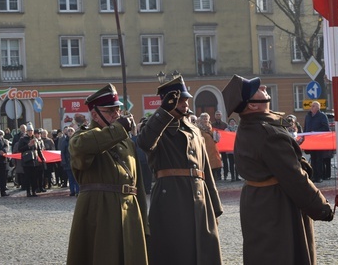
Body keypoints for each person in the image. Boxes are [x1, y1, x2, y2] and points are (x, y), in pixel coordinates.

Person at [223, 75, 333, 265]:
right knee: (283, 255)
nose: (264, 87)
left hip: (259, 202)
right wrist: (322, 208)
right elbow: (294, 177)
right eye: (257, 89)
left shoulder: (251, 125)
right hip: (277, 207)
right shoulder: (268, 133)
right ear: (252, 105)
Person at [137, 75, 223, 265]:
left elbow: (205, 170)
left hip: (199, 199)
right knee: (176, 252)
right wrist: (163, 112)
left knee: (204, 252)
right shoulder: (156, 126)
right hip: (171, 199)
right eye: (180, 100)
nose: (185, 103)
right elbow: (144, 142)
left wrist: (215, 207)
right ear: (167, 102)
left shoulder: (193, 129)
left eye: (186, 99)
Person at [66, 84, 149, 265]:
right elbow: (83, 147)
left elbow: (138, 186)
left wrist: (145, 222)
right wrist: (118, 129)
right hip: (99, 213)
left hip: (130, 212)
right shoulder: (82, 137)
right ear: (95, 114)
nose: (116, 115)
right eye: (110, 111)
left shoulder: (127, 143)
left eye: (118, 110)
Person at [303, 101, 331, 182]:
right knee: (313, 159)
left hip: (319, 141)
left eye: (313, 106)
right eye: (311, 106)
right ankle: (313, 176)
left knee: (319, 159)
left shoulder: (322, 116)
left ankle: (319, 176)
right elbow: (305, 127)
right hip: (310, 141)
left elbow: (326, 128)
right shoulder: (308, 116)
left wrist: (315, 131)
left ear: (318, 107)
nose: (311, 107)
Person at [18, 123, 45, 197]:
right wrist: (28, 146)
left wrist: (42, 158)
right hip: (26, 161)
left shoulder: (35, 139)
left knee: (34, 177)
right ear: (27, 131)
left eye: (31, 130)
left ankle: (33, 191)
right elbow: (19, 149)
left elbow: (38, 150)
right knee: (27, 177)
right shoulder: (22, 139)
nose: (30, 132)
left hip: (34, 161)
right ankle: (28, 192)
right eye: (29, 130)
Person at [197, 112, 223, 181]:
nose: (205, 120)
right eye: (204, 118)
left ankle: (214, 178)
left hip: (213, 149)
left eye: (206, 118)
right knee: (207, 165)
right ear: (201, 120)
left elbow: (215, 139)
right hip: (205, 149)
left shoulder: (210, 128)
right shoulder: (198, 128)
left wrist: (217, 136)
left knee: (214, 165)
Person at [61, 127, 79, 196]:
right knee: (70, 178)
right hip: (68, 162)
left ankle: (78, 191)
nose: (70, 133)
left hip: (75, 162)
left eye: (72, 131)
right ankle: (72, 191)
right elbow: (62, 152)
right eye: (69, 131)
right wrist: (64, 162)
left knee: (76, 178)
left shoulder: (76, 140)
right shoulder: (64, 141)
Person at [224, 117, 240, 181]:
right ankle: (232, 177)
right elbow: (225, 138)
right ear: (229, 123)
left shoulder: (238, 129)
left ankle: (237, 176)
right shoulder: (226, 129)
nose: (232, 123)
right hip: (230, 149)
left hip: (237, 149)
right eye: (231, 122)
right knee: (231, 163)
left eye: (233, 122)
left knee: (237, 163)